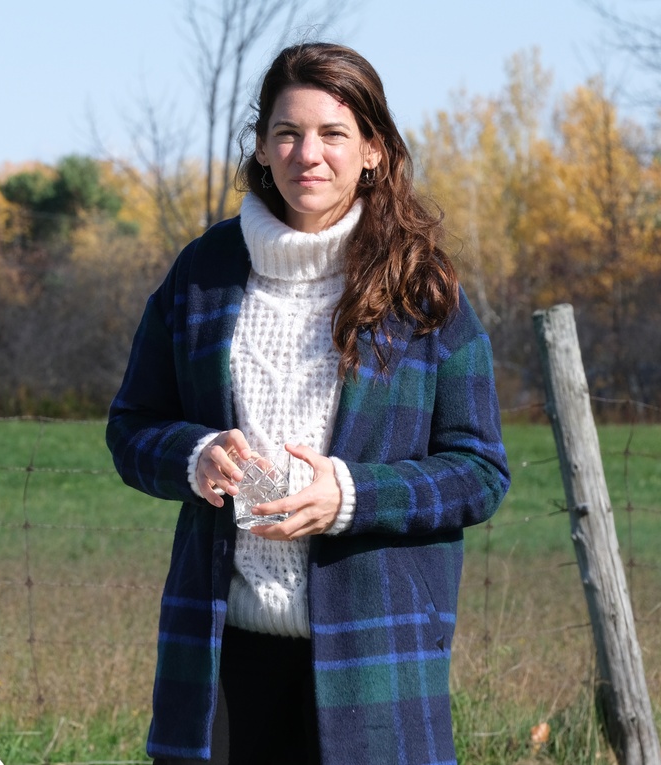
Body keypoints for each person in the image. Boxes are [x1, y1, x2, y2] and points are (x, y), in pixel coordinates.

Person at [106, 42, 510, 765]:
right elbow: (132, 427)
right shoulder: (202, 274)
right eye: (288, 133)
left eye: (333, 134)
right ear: (262, 148)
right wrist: (194, 455)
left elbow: (480, 472)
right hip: (221, 654)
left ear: (373, 151)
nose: (308, 154)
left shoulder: (423, 292)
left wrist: (350, 494)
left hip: (374, 656)